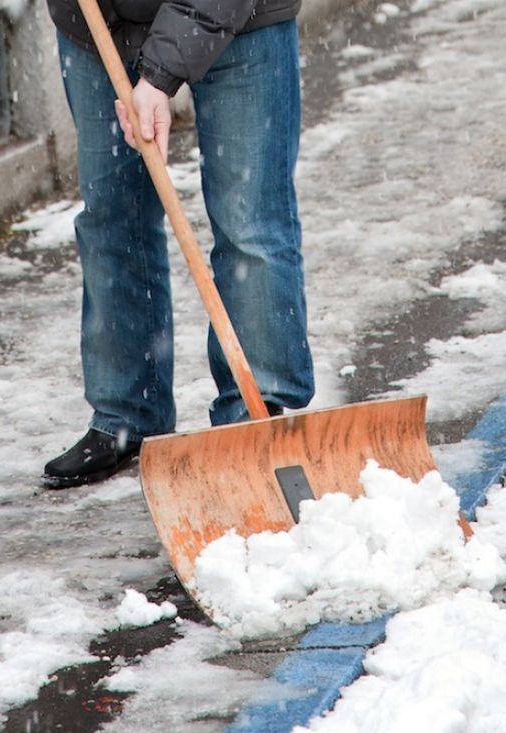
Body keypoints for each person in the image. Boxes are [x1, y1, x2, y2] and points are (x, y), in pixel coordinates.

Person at [41, 0, 314, 488]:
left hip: (242, 18)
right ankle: (127, 414)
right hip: (98, 23)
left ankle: (257, 412)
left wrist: (160, 76)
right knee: (111, 219)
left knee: (249, 222)